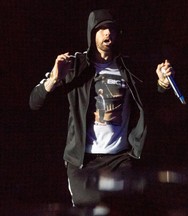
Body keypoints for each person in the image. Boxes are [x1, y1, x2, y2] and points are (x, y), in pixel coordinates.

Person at [29, 9, 174, 207]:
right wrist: (54, 78)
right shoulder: (73, 65)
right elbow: (34, 102)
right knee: (91, 210)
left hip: (119, 160)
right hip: (83, 161)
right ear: (92, 33)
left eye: (112, 29)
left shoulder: (128, 67)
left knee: (124, 209)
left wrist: (163, 83)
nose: (108, 33)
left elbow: (149, 102)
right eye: (102, 29)